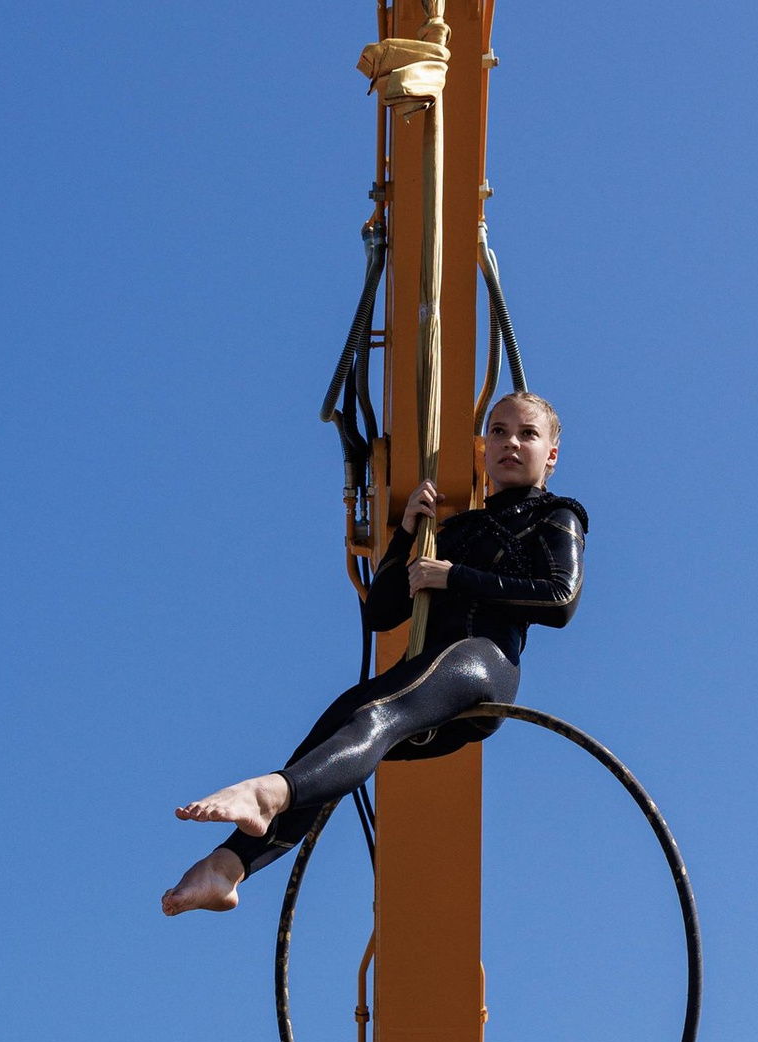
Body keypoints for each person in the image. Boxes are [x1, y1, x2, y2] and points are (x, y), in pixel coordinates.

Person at [163, 389, 584, 913]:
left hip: (482, 663)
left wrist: (456, 578)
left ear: (551, 455)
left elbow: (560, 599)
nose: (511, 443)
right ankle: (228, 868)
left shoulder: (555, 516)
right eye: (498, 431)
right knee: (344, 720)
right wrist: (406, 535)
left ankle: (269, 794)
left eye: (527, 434)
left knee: (376, 713)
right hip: (426, 679)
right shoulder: (454, 530)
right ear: (483, 447)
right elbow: (381, 613)